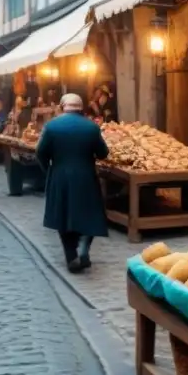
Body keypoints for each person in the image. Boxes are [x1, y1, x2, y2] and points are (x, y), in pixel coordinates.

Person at [35, 94, 109, 273]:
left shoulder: (51, 126)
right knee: (89, 213)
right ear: (81, 108)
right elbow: (103, 153)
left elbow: (40, 152)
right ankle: (84, 248)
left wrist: (49, 170)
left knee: (63, 215)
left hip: (60, 175)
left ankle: (71, 256)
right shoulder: (91, 127)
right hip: (86, 175)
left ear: (62, 107)